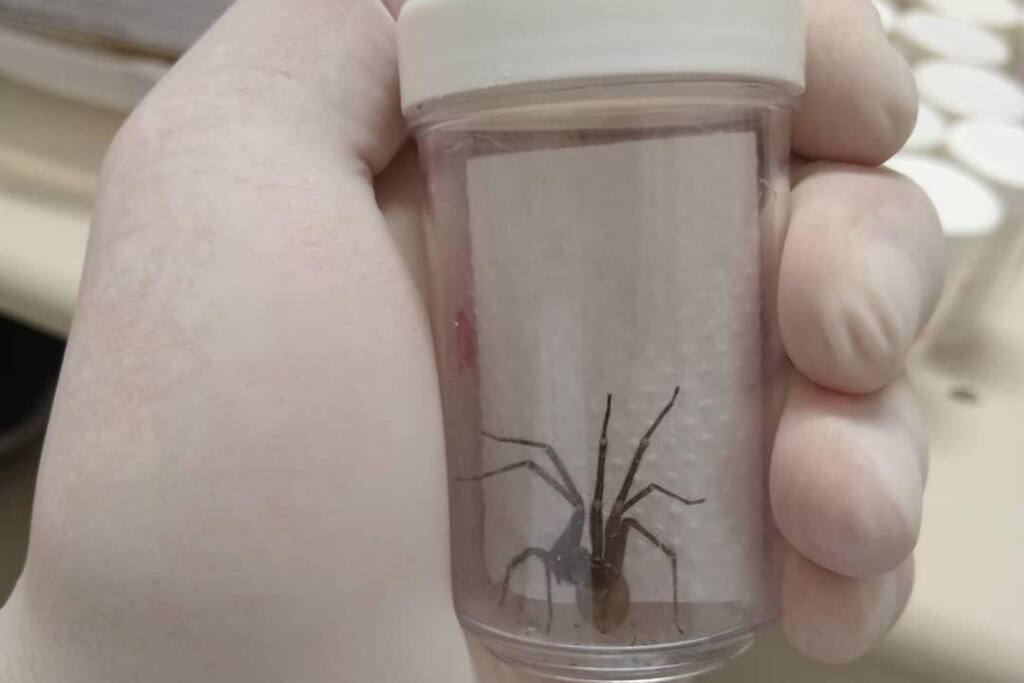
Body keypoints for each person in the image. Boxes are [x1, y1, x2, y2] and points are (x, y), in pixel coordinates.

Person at [0, 0, 943, 680]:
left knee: (606, 475)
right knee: (599, 474)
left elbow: (633, 497)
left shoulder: (587, 537)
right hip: (549, 601)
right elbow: (632, 498)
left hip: (570, 600)